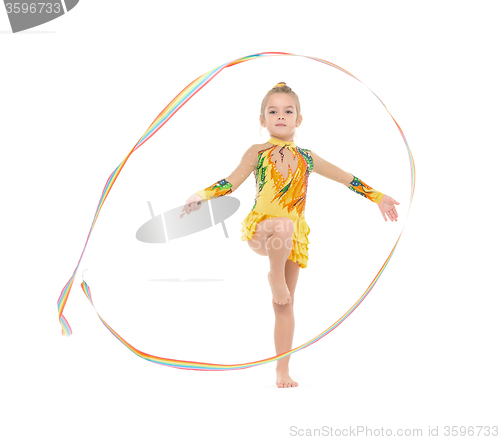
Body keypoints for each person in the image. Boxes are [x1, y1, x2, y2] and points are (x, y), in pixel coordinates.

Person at [180, 82, 400, 388]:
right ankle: (276, 277)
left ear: (298, 119)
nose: (280, 116)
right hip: (263, 229)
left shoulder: (307, 157)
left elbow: (345, 177)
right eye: (273, 111)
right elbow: (231, 182)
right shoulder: (257, 152)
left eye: (288, 111)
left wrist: (378, 197)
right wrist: (200, 195)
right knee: (282, 225)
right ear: (262, 119)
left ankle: (282, 370)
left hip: (292, 237)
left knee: (284, 305)